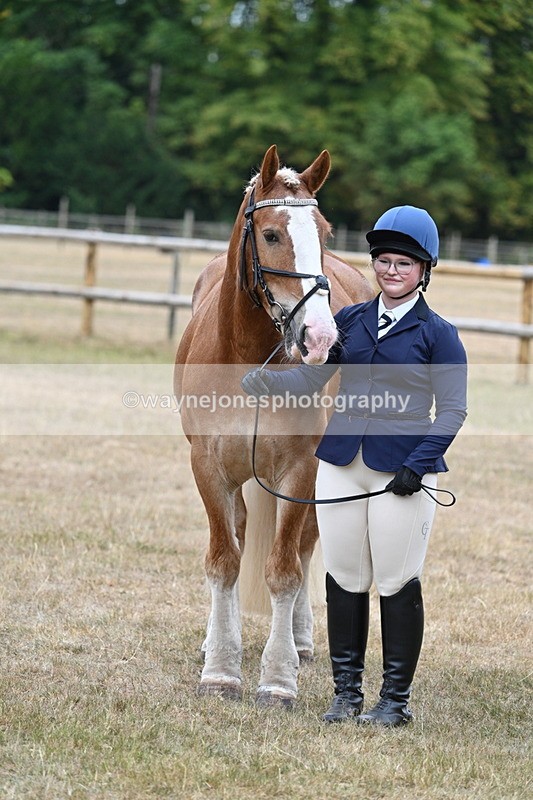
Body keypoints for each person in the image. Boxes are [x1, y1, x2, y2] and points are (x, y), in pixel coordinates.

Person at [241, 205, 467, 727]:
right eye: (384, 261)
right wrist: (271, 382)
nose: (391, 271)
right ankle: (346, 694)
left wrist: (421, 463)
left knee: (395, 581)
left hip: (401, 474)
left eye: (403, 263)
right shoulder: (351, 321)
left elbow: (452, 409)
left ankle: (395, 701)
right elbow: (312, 381)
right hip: (341, 463)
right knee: (344, 577)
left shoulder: (439, 335)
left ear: (423, 270)